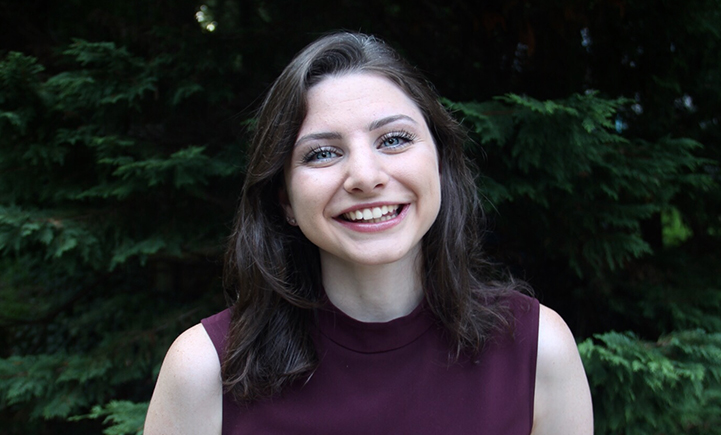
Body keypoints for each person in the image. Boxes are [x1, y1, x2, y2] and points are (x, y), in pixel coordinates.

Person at [144, 32, 593, 434]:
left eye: (394, 139)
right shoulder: (204, 371)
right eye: (322, 153)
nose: (365, 176)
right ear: (285, 201)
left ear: (440, 164)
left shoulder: (538, 351)